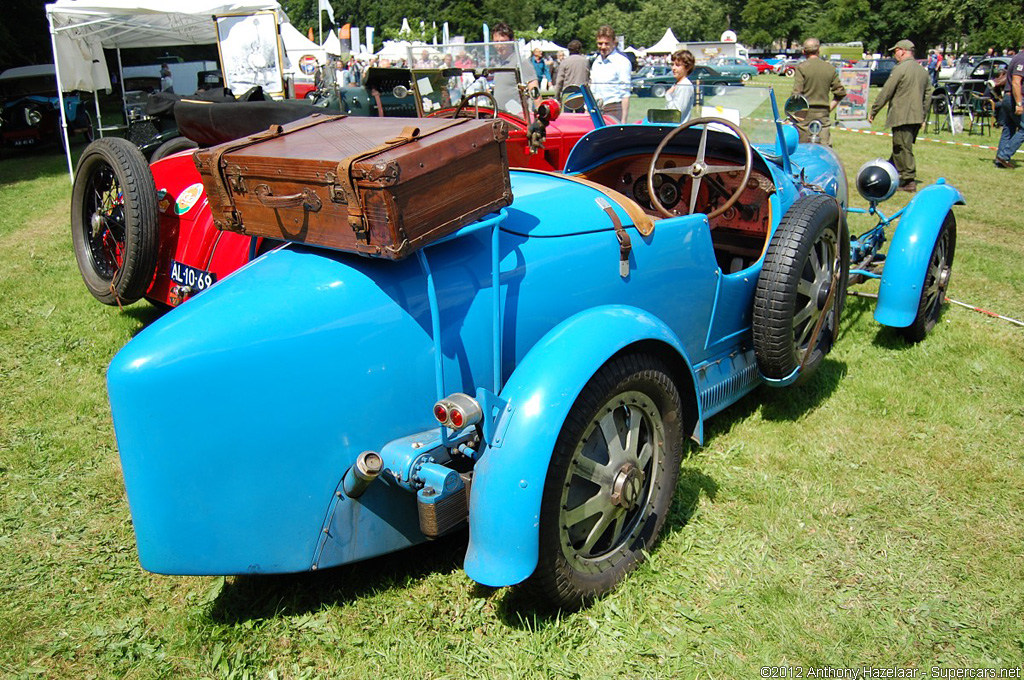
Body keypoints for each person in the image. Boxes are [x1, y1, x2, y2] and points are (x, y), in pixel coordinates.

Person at [868, 39, 930, 192]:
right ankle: (891, 170)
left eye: (895, 51)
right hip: (916, 116)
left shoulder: (900, 69)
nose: (894, 54)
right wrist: (923, 114)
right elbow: (928, 94)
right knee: (900, 146)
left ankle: (908, 179)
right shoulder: (922, 70)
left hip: (902, 115)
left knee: (903, 147)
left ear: (902, 50)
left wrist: (874, 110)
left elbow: (886, 91)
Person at [791, 37, 847, 145]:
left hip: (803, 116)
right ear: (819, 50)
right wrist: (829, 108)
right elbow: (840, 93)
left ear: (803, 51)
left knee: (803, 151)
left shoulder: (802, 67)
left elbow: (796, 95)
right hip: (823, 115)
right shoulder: (829, 68)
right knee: (824, 150)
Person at [490, 22, 537, 117]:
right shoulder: (498, 63)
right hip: (500, 116)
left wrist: (540, 119)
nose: (499, 46)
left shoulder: (521, 62)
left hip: (517, 117)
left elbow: (534, 90)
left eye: (503, 42)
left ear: (512, 41)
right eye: (496, 42)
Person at [590, 25, 632, 123]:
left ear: (614, 43)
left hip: (614, 109)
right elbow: (593, 89)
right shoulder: (596, 62)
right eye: (600, 43)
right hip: (596, 110)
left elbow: (625, 93)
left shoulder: (622, 62)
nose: (603, 47)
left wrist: (623, 121)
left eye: (607, 43)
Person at [994, 44, 1024, 168]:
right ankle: (1004, 155)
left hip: (1008, 97)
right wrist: (1019, 103)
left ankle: (1000, 159)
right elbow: (1016, 82)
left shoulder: (1017, 57)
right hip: (1014, 98)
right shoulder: (1022, 59)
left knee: (1009, 128)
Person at [665, 49, 696, 123]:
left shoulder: (685, 86)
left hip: (678, 129)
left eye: (678, 65)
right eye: (672, 65)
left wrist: (668, 95)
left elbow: (676, 112)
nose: (673, 68)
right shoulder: (677, 84)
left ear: (687, 67)